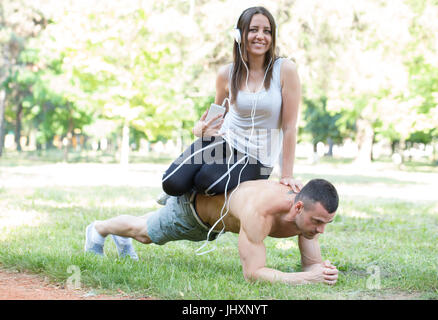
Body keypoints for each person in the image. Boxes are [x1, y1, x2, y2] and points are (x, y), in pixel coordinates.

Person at [160, 6, 303, 200]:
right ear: (239, 35)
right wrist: (200, 130)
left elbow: (289, 127)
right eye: (253, 30)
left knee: (206, 182)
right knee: (171, 183)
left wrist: (286, 174)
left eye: (267, 31)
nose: (260, 36)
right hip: (225, 142)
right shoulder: (226, 73)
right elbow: (214, 119)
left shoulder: (285, 69)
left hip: (257, 157)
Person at [84, 179, 339, 285]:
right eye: (318, 222)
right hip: (193, 213)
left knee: (146, 225)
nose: (321, 230)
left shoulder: (308, 213)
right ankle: (99, 229)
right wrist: (305, 279)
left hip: (216, 215)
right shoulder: (260, 213)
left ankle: (119, 233)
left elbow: (312, 265)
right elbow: (252, 273)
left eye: (326, 223)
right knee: (144, 233)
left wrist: (321, 272)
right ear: (298, 207)